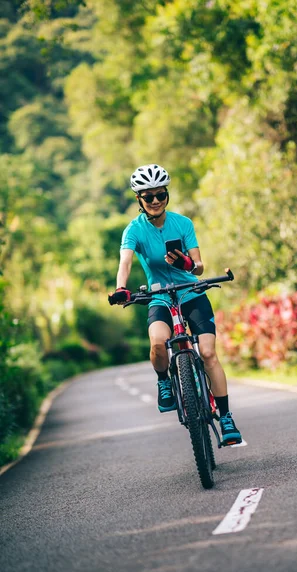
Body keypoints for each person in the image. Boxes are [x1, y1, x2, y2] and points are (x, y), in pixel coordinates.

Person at [108, 164, 242, 445]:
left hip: (191, 293)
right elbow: (126, 262)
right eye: (149, 197)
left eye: (161, 195)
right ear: (139, 200)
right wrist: (121, 288)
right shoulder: (133, 230)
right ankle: (164, 381)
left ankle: (226, 417)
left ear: (167, 195)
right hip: (159, 297)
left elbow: (200, 267)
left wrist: (188, 264)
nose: (156, 201)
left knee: (208, 353)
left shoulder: (183, 224)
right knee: (158, 343)